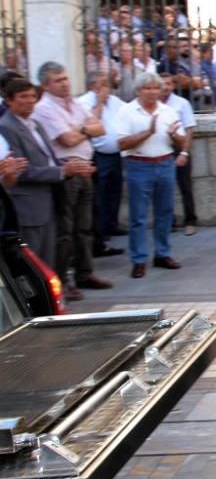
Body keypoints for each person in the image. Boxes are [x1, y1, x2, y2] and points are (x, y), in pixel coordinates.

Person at [0, 79, 95, 301]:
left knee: (50, 257)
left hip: (48, 200)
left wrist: (68, 169)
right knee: (32, 261)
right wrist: (62, 172)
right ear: (10, 101)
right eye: (23, 97)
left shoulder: (35, 124)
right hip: (28, 205)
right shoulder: (7, 127)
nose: (30, 101)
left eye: (32, 96)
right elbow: (21, 170)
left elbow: (48, 160)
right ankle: (35, 305)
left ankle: (50, 302)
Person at [32, 62, 112, 293]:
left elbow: (101, 128)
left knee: (84, 227)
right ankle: (63, 280)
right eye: (58, 80)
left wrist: (81, 129)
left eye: (66, 78)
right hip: (66, 171)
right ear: (46, 85)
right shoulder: (44, 108)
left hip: (86, 168)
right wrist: (85, 129)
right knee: (65, 231)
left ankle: (85, 273)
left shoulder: (75, 104)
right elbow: (67, 140)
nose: (65, 83)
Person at [115, 72, 187, 279]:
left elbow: (182, 141)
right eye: (148, 88)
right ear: (138, 90)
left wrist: (175, 137)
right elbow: (121, 143)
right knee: (138, 216)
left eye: (156, 88)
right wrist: (147, 132)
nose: (153, 92)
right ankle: (139, 260)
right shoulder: (126, 111)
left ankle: (162, 254)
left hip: (165, 163)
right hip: (139, 164)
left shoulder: (168, 111)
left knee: (165, 212)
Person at [78, 71, 126, 258]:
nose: (105, 87)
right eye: (101, 84)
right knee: (100, 195)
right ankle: (100, 232)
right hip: (98, 155)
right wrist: (99, 102)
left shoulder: (115, 101)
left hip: (115, 153)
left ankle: (111, 225)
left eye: (107, 83)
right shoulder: (84, 102)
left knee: (115, 191)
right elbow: (91, 124)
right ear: (92, 86)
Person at [158, 74, 198, 235]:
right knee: (163, 188)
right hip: (161, 149)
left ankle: (191, 221)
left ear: (173, 86)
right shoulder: (154, 105)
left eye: (169, 84)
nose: (166, 87)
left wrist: (184, 152)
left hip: (179, 147)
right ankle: (169, 221)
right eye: (162, 84)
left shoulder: (182, 103)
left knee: (185, 187)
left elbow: (189, 129)